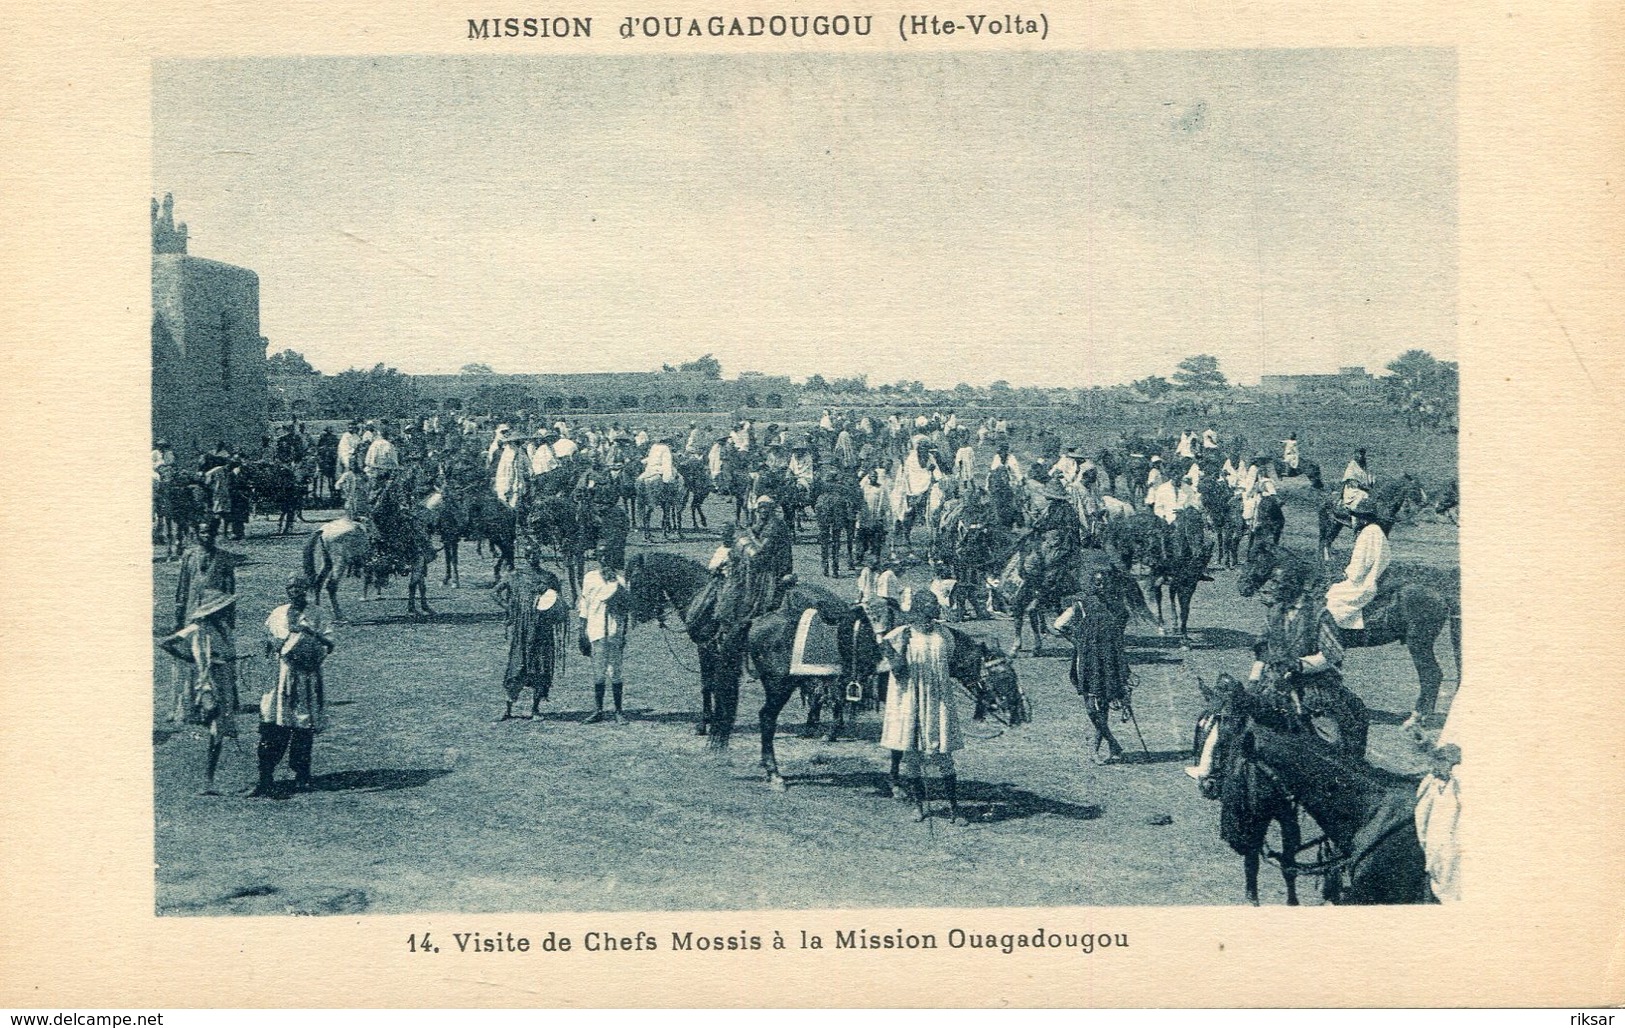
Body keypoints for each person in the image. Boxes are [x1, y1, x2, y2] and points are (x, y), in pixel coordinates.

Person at [1250, 557, 1368, 755]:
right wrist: (1253, 681)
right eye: (1272, 581)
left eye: (1278, 582)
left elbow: (1332, 654)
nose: (1272, 587)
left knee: (1329, 741)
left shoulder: (1319, 614)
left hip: (1314, 686)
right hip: (1273, 683)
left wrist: (1300, 665)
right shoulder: (1275, 612)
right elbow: (1263, 650)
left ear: (1295, 585)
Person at [878, 590, 967, 824]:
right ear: (919, 607)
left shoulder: (945, 634)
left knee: (944, 754)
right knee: (913, 756)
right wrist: (898, 655)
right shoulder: (900, 634)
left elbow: (949, 662)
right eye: (931, 604)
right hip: (910, 700)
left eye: (936, 603)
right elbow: (892, 663)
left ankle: (954, 809)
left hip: (938, 701)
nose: (936, 607)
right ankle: (918, 806)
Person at [250, 575, 334, 796]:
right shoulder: (277, 613)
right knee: (272, 725)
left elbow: (329, 644)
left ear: (306, 589)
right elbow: (266, 641)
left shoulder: (317, 613)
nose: (295, 590)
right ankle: (265, 777)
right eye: (290, 587)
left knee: (301, 725)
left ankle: (302, 776)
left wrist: (310, 634)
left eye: (299, 587)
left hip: (305, 675)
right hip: (280, 676)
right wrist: (272, 644)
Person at [159, 588, 241, 795]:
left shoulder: (223, 628)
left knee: (219, 728)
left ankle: (209, 779)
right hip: (208, 681)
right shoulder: (197, 629)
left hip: (224, 679)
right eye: (222, 608)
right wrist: (189, 659)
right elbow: (166, 642)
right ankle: (208, 780)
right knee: (216, 725)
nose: (226, 611)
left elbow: (228, 654)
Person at [1055, 569, 1131, 764]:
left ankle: (1095, 749)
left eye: (1105, 583)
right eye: (1098, 583)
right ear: (1091, 584)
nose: (1102, 586)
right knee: (1091, 707)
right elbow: (1058, 625)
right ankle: (1113, 743)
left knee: (1103, 705)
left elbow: (1120, 631)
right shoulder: (1081, 604)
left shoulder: (1116, 606)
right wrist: (1078, 642)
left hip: (1110, 660)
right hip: (1088, 661)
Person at [493, 549, 568, 721]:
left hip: (543, 630)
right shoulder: (516, 576)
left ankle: (535, 709)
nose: (533, 557)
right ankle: (508, 708)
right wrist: (510, 608)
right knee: (516, 666)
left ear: (539, 556)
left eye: (535, 554)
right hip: (523, 630)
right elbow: (494, 592)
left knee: (541, 667)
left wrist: (553, 606)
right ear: (525, 557)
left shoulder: (550, 578)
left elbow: (560, 602)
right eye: (529, 554)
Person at [1324, 496, 1392, 631]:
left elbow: (1361, 564)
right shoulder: (1375, 530)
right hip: (1373, 576)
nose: (1353, 520)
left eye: (1355, 517)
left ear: (1363, 518)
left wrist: (1346, 574)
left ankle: (1335, 632)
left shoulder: (1368, 533)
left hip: (1366, 581)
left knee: (1333, 598)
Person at [577, 555, 631, 724]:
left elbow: (625, 611)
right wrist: (582, 630)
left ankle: (618, 711)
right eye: (601, 556)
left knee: (615, 671)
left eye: (607, 555)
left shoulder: (621, 581)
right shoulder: (590, 578)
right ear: (597, 558)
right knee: (598, 672)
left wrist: (623, 633)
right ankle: (598, 710)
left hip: (615, 630)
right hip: (595, 629)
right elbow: (584, 605)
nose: (605, 559)